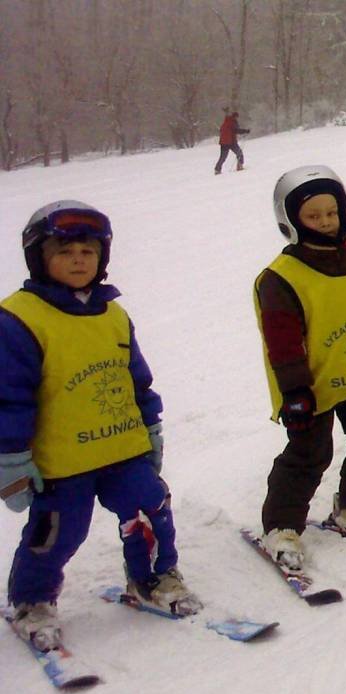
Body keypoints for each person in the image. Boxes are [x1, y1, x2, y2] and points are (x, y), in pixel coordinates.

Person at [0, 201, 199, 652]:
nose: (78, 260)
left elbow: (136, 379)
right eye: (65, 251)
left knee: (150, 508)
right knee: (57, 533)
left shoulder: (113, 315)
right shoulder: (18, 320)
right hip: (60, 462)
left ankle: (151, 579)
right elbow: (8, 397)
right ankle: (32, 600)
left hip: (122, 450)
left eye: (88, 252)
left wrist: (151, 429)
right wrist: (10, 459)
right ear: (39, 257)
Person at [256, 165, 346, 570]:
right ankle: (282, 526)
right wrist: (295, 392)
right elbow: (282, 342)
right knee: (309, 453)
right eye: (313, 215)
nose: (324, 221)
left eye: (331, 212)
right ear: (291, 222)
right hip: (311, 384)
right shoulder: (280, 278)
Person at [214, 109, 249, 175]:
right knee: (239, 153)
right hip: (231, 142)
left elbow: (221, 130)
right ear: (235, 117)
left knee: (223, 157)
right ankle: (240, 166)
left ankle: (217, 170)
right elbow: (236, 130)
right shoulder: (232, 122)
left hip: (224, 143)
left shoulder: (225, 122)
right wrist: (246, 131)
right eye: (237, 117)